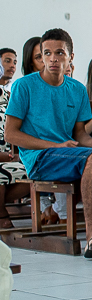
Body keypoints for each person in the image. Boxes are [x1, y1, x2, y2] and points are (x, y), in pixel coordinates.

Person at [5, 29, 92, 255]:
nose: (53, 58)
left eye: (60, 53)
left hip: (68, 154)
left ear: (71, 57)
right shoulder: (24, 86)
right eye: (47, 53)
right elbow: (11, 134)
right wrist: (57, 145)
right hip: (38, 158)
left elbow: (80, 135)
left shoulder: (77, 89)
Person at [0, 73, 29, 230]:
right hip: (3, 158)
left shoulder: (9, 97)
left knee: (34, 171)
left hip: (11, 157)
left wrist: (16, 155)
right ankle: (1, 214)